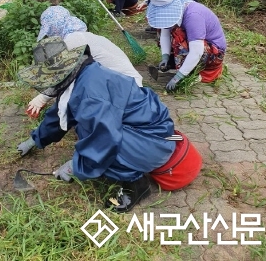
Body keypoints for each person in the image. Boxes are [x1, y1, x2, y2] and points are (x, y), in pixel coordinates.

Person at [16, 37, 201, 213]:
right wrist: (35, 139)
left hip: (154, 139)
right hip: (148, 132)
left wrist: (76, 166)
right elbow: (60, 114)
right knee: (88, 132)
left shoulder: (90, 92)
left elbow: (104, 139)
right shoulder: (82, 76)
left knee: (99, 142)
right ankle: (128, 165)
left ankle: (136, 186)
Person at [27, 5, 143, 116]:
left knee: (75, 90)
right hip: (132, 85)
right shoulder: (86, 36)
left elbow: (64, 77)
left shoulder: (73, 41)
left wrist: (41, 99)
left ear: (54, 28)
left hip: (125, 91)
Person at [146, 0, 226, 92]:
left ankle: (190, 72)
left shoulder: (193, 16)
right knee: (168, 30)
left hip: (213, 54)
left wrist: (178, 77)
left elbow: (196, 51)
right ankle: (173, 62)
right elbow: (164, 32)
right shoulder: (174, 14)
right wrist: (165, 57)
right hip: (194, 44)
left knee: (178, 35)